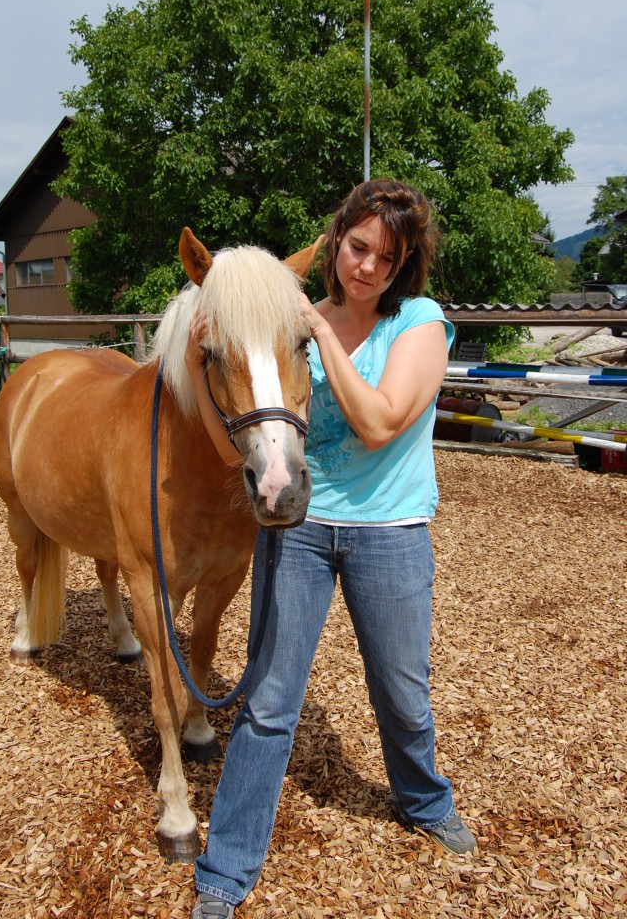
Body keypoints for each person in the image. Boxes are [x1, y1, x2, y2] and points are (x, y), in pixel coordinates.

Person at [185, 179, 476, 919]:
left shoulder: (418, 323)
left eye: (387, 255)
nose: (367, 267)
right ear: (337, 240)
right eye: (357, 247)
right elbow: (234, 451)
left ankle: (423, 798)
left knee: (403, 696)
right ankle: (228, 867)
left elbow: (380, 423)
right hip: (301, 530)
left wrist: (317, 334)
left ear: (404, 263)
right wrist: (204, 357)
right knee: (269, 703)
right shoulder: (293, 324)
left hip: (391, 533)